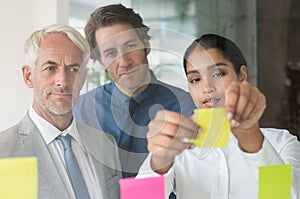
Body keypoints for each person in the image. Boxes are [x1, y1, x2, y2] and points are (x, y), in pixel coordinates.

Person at [137, 34, 300, 198]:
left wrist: (250, 135)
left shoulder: (282, 143)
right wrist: (161, 159)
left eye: (218, 74)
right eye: (195, 79)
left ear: (242, 75)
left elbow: (286, 195)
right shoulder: (176, 146)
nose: (207, 87)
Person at [0, 24, 122, 199]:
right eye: (51, 68)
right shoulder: (3, 152)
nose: (63, 81)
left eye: (73, 69)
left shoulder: (106, 145)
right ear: (28, 76)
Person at [73, 4, 195, 178]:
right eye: (110, 53)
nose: (123, 61)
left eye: (130, 46)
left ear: (146, 45)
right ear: (101, 62)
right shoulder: (81, 111)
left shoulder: (186, 106)